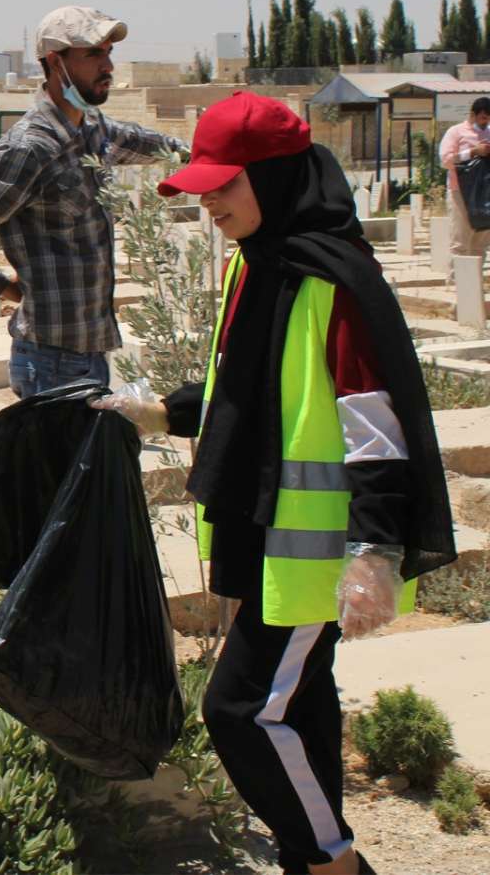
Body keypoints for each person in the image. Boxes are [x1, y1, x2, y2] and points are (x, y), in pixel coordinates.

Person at [96, 93, 455, 875]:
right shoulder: (256, 267)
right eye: (203, 187)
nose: (209, 202)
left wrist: (375, 550)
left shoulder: (334, 281)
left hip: (316, 555)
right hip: (265, 539)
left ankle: (332, 862)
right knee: (300, 706)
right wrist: (159, 413)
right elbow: (244, 391)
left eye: (226, 185)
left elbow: (376, 424)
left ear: (279, 177)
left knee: (241, 710)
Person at [0, 5, 187, 398]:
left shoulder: (92, 130)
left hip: (92, 353)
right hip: (49, 363)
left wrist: (201, 153)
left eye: (108, 53)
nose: (108, 66)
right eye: (93, 55)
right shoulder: (31, 148)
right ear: (55, 63)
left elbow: (145, 143)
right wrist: (1, 287)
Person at [439, 96, 490, 266]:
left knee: (480, 241)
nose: (485, 123)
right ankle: (457, 283)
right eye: (483, 118)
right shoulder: (456, 132)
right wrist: (473, 152)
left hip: (485, 193)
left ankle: (474, 285)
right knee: (460, 239)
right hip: (460, 191)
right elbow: (446, 160)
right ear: (473, 114)